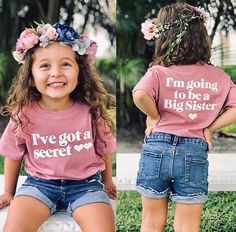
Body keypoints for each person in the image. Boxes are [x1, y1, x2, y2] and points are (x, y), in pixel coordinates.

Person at [0, 22, 116, 232]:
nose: (56, 73)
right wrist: (9, 192)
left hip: (86, 186)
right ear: (31, 77)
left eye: (65, 64)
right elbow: (13, 154)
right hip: (39, 185)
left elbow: (103, 148)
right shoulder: (24, 113)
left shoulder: (91, 110)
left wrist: (107, 182)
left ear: (79, 72)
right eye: (45, 66)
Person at [133, 3, 236, 232]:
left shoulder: (159, 71)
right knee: (188, 226)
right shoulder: (218, 76)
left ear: (164, 37)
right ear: (202, 37)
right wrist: (210, 127)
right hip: (194, 152)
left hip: (156, 148)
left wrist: (154, 117)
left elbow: (140, 94)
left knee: (150, 224)